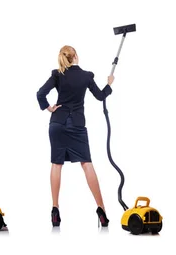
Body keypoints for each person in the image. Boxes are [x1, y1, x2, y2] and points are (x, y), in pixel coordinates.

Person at [36, 45, 114, 227]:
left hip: (57, 124)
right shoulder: (86, 76)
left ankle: (55, 210)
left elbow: (40, 93)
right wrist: (109, 84)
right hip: (77, 124)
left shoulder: (57, 74)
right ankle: (101, 210)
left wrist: (48, 107)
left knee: (56, 164)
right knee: (87, 164)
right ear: (76, 56)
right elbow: (101, 96)